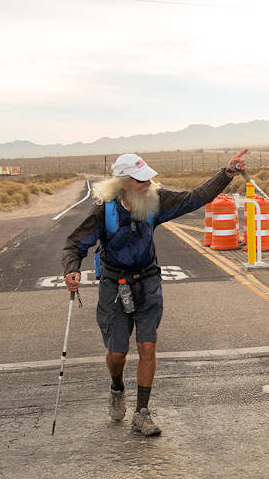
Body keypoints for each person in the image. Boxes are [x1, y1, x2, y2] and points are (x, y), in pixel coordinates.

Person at [62, 149, 248, 435]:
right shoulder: (104, 211)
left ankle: (142, 413)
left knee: (147, 345)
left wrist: (226, 173)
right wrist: (72, 269)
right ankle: (116, 387)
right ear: (123, 183)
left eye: (148, 178)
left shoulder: (154, 202)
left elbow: (196, 197)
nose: (147, 184)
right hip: (114, 286)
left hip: (147, 282)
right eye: (140, 180)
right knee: (117, 353)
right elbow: (75, 244)